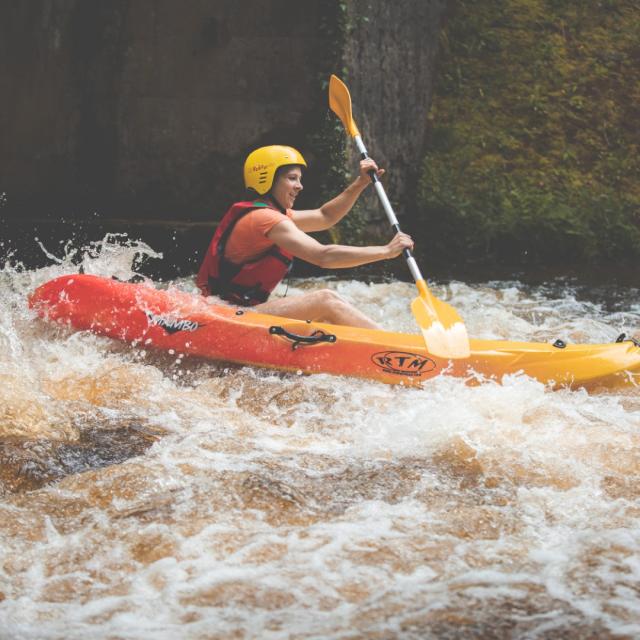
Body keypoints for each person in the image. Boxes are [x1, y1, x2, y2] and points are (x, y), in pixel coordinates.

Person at [196, 145, 413, 329]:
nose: (300, 186)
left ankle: (381, 347)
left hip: (235, 311)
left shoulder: (271, 214)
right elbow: (323, 256)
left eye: (299, 179)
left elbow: (325, 216)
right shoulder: (264, 219)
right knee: (325, 300)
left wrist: (361, 183)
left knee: (324, 315)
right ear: (266, 179)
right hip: (226, 315)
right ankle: (393, 349)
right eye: (292, 178)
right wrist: (386, 251)